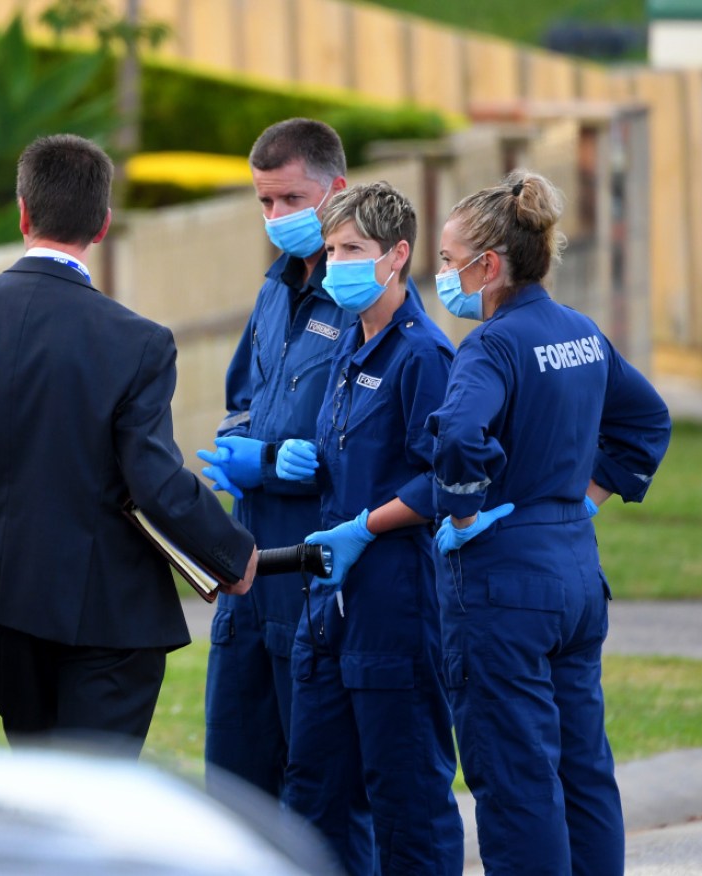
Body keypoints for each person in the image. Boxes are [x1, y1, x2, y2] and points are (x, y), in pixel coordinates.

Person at [0, 134, 258, 756]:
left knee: (42, 791)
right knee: (96, 803)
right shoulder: (137, 341)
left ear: (22, 212)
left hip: (5, 603)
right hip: (110, 616)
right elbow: (153, 477)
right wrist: (231, 553)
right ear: (103, 224)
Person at [428, 171, 672, 875]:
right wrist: (585, 499)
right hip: (572, 567)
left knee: (514, 776)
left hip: (504, 582)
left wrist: (464, 509)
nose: (442, 275)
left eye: (448, 261)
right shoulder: (580, 333)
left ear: (489, 265)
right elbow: (645, 419)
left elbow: (455, 434)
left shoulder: (490, 345)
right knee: (581, 767)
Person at [193, 119, 373, 861]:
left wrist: (269, 463)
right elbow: (242, 395)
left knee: (323, 797)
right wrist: (244, 448)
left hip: (311, 576)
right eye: (263, 201)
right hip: (251, 567)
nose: (276, 217)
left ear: (334, 190)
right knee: (233, 788)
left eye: (289, 198)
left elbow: (373, 439)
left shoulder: (364, 299)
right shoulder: (273, 290)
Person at [273, 182, 462, 873]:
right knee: (314, 794)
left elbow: (445, 476)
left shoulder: (422, 356)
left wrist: (365, 525)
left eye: (350, 249)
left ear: (397, 254)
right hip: (328, 605)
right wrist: (299, 464)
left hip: (393, 602)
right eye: (328, 250)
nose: (333, 264)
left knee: (405, 795)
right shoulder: (349, 345)